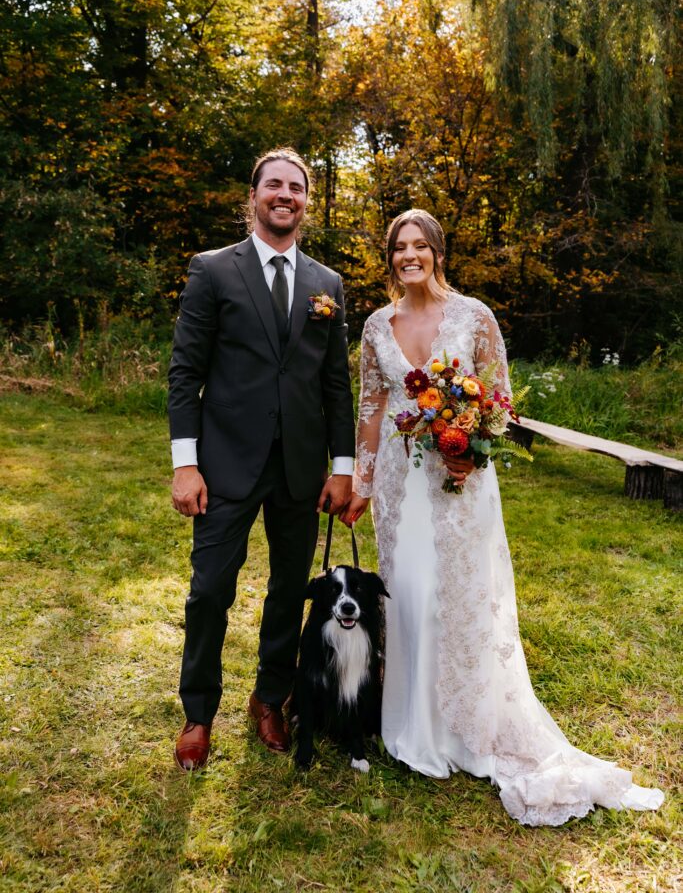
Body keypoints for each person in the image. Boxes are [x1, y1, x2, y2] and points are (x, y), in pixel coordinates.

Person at [339, 209, 664, 826]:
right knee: (406, 594)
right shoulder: (377, 325)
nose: (410, 257)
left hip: (460, 482)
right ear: (390, 259)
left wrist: (468, 452)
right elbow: (372, 410)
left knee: (459, 595)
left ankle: (466, 729)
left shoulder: (474, 316)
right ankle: (412, 726)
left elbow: (501, 401)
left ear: (438, 251)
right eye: (399, 248)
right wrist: (361, 481)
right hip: (398, 488)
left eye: (420, 246)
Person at [168, 148, 355, 771]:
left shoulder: (327, 286)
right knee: (209, 592)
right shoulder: (213, 271)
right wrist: (185, 464)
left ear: (307, 200)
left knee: (286, 593)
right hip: (224, 465)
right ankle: (198, 714)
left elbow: (335, 387)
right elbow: (185, 372)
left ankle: (269, 697)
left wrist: (343, 468)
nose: (285, 194)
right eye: (273, 184)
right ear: (253, 197)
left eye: (296, 187)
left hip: (300, 471)